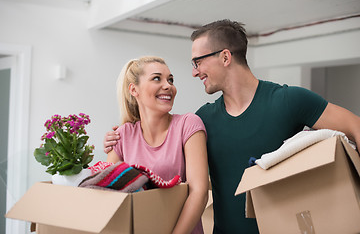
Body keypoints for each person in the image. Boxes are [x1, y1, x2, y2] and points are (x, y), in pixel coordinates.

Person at [104, 20, 360, 233]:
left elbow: (354, 125)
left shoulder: (289, 100)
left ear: (225, 57)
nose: (194, 72)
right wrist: (119, 138)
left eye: (198, 62)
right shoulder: (203, 119)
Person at [106, 56, 209, 234]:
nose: (168, 85)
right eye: (156, 78)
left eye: (170, 80)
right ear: (134, 89)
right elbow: (108, 196)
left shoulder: (189, 124)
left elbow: (199, 193)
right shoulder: (122, 135)